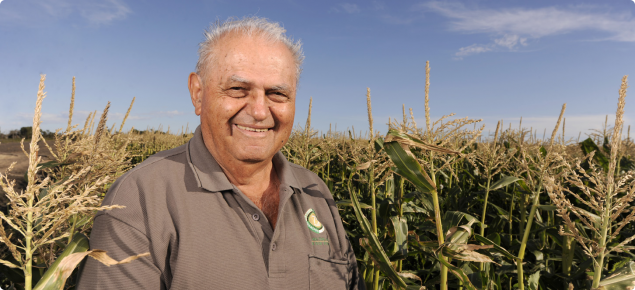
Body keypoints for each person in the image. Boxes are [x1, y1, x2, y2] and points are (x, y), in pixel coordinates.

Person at [77, 16, 364, 289]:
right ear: (198, 94)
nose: (259, 111)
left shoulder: (316, 192)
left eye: (277, 93)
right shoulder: (139, 198)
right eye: (238, 89)